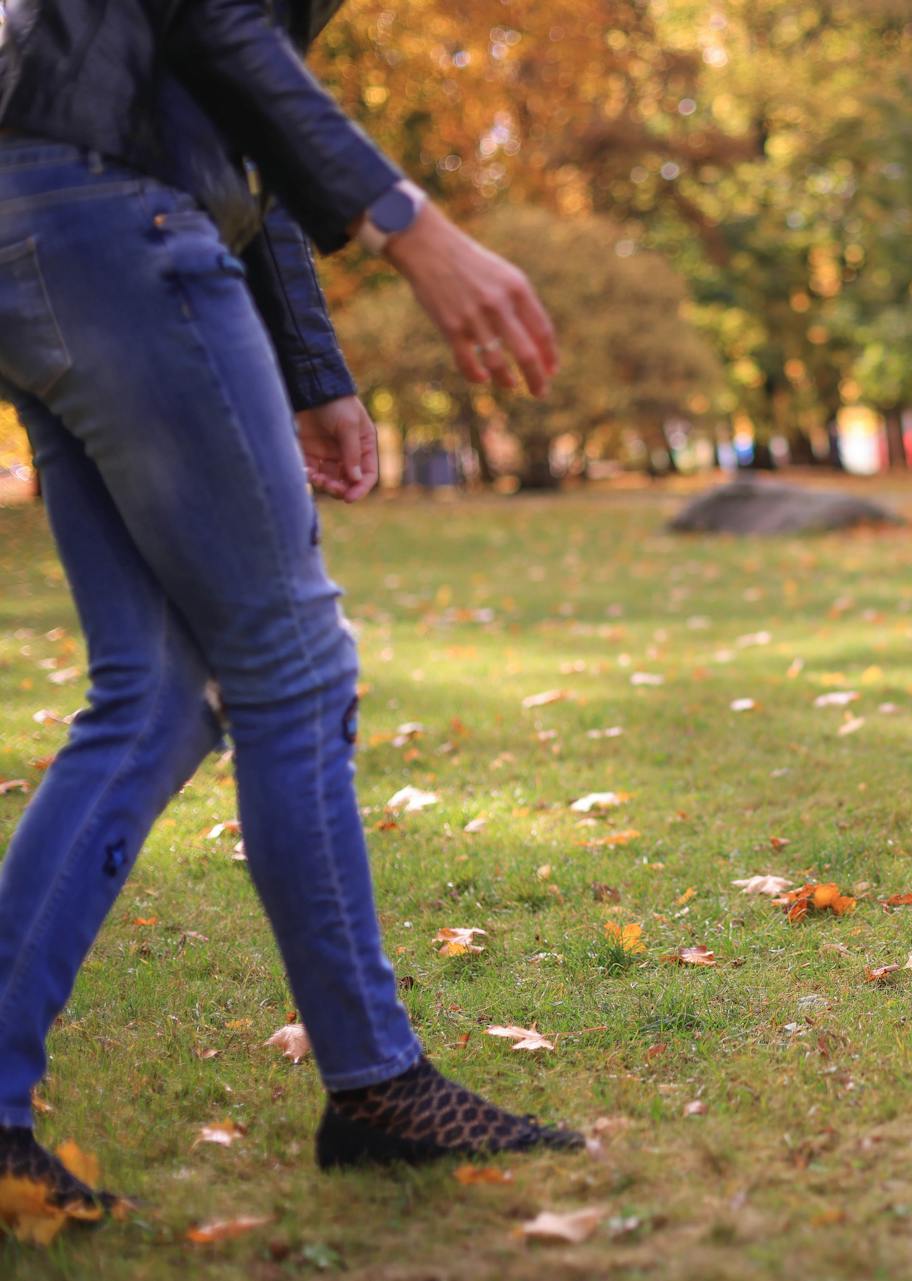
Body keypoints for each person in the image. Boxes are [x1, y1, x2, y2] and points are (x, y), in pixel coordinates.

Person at [0, 0, 582, 1216]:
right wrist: (412, 226)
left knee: (156, 694)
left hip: (38, 214)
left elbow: (222, 99)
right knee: (293, 668)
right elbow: (217, 25)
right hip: (115, 211)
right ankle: (377, 1080)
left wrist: (312, 369)